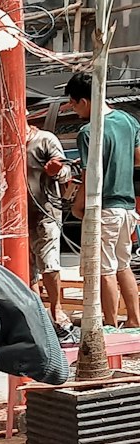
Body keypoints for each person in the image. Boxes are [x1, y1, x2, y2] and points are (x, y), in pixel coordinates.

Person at [66, 73, 140, 330]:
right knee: (123, 265)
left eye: (73, 104)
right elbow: (138, 158)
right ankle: (133, 320)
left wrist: (77, 205)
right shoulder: (128, 121)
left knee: (104, 270)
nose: (73, 110)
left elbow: (90, 177)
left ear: (84, 101)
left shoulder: (88, 132)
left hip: (104, 208)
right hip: (127, 208)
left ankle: (109, 325)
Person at [26, 103, 75, 342]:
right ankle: (39, 315)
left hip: (45, 212)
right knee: (27, 269)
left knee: (49, 263)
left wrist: (56, 170)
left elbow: (66, 172)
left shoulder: (44, 140)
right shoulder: (6, 143)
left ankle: (56, 309)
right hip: (16, 216)